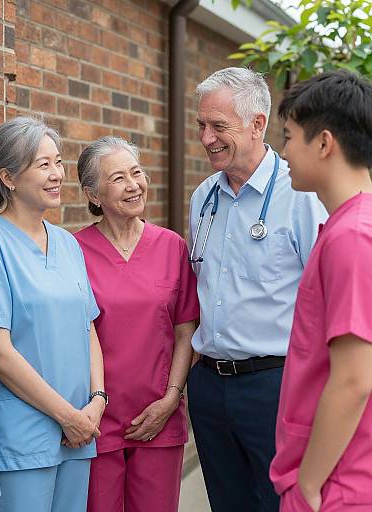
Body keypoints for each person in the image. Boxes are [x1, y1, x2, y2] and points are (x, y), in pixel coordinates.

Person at [187, 67, 327, 512]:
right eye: (201, 126)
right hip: (209, 387)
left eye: (219, 127)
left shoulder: (302, 194)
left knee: (280, 504)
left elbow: (325, 302)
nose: (207, 138)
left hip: (275, 386)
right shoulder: (202, 198)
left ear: (258, 124)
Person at [0, 117, 104, 512]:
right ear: (8, 176)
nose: (57, 174)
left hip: (79, 432)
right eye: (44, 165)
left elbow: (87, 327)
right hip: (24, 437)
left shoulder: (67, 244)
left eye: (57, 162)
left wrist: (97, 400)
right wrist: (67, 416)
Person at [74, 136, 199, 512]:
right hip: (97, 419)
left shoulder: (172, 246)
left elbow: (185, 331)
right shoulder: (73, 250)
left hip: (159, 417)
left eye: (137, 173)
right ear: (93, 194)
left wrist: (170, 399)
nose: (133, 185)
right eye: (118, 178)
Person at [270, 71, 372, 512]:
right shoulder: (347, 227)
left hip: (337, 483)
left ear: (325, 143)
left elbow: (354, 379)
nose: (283, 151)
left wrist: (309, 485)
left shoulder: (353, 236)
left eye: (289, 137)